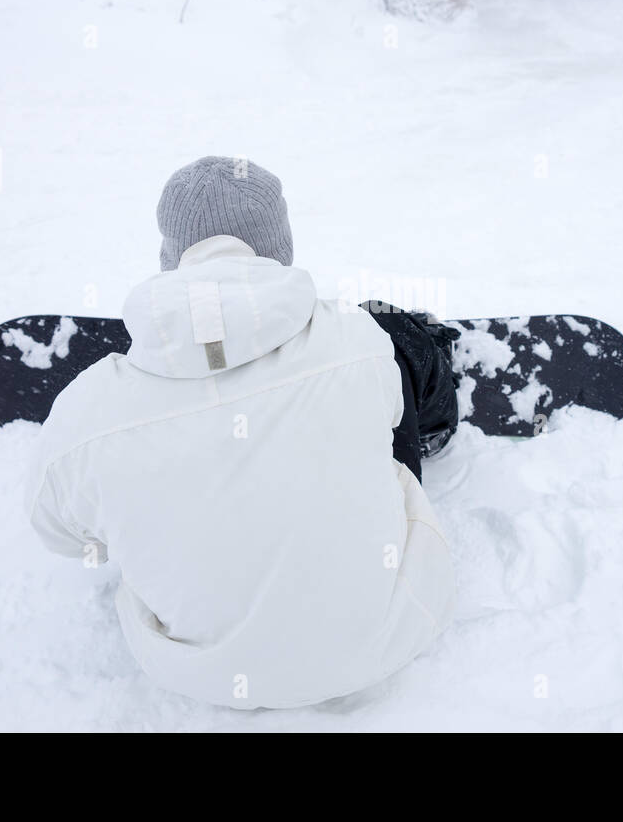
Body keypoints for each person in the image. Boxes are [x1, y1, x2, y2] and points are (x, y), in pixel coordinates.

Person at [26, 156, 460, 709]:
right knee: (392, 347)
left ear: (169, 259)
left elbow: (65, 539)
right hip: (392, 632)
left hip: (197, 670)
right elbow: (388, 418)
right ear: (280, 248)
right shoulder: (358, 336)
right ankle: (437, 396)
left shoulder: (87, 409)